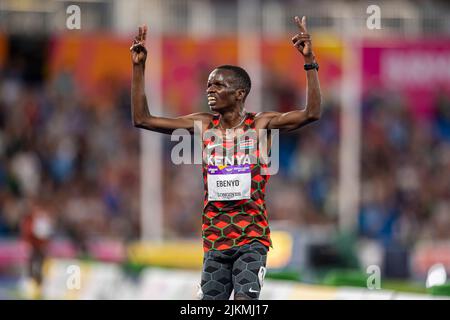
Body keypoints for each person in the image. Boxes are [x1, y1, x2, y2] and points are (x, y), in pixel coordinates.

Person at [130, 16, 321, 300]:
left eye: (218, 85)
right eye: (209, 85)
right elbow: (142, 119)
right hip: (215, 241)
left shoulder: (260, 125)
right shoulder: (204, 125)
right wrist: (139, 67)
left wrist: (310, 62)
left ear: (239, 93)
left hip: (251, 239)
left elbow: (311, 113)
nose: (210, 90)